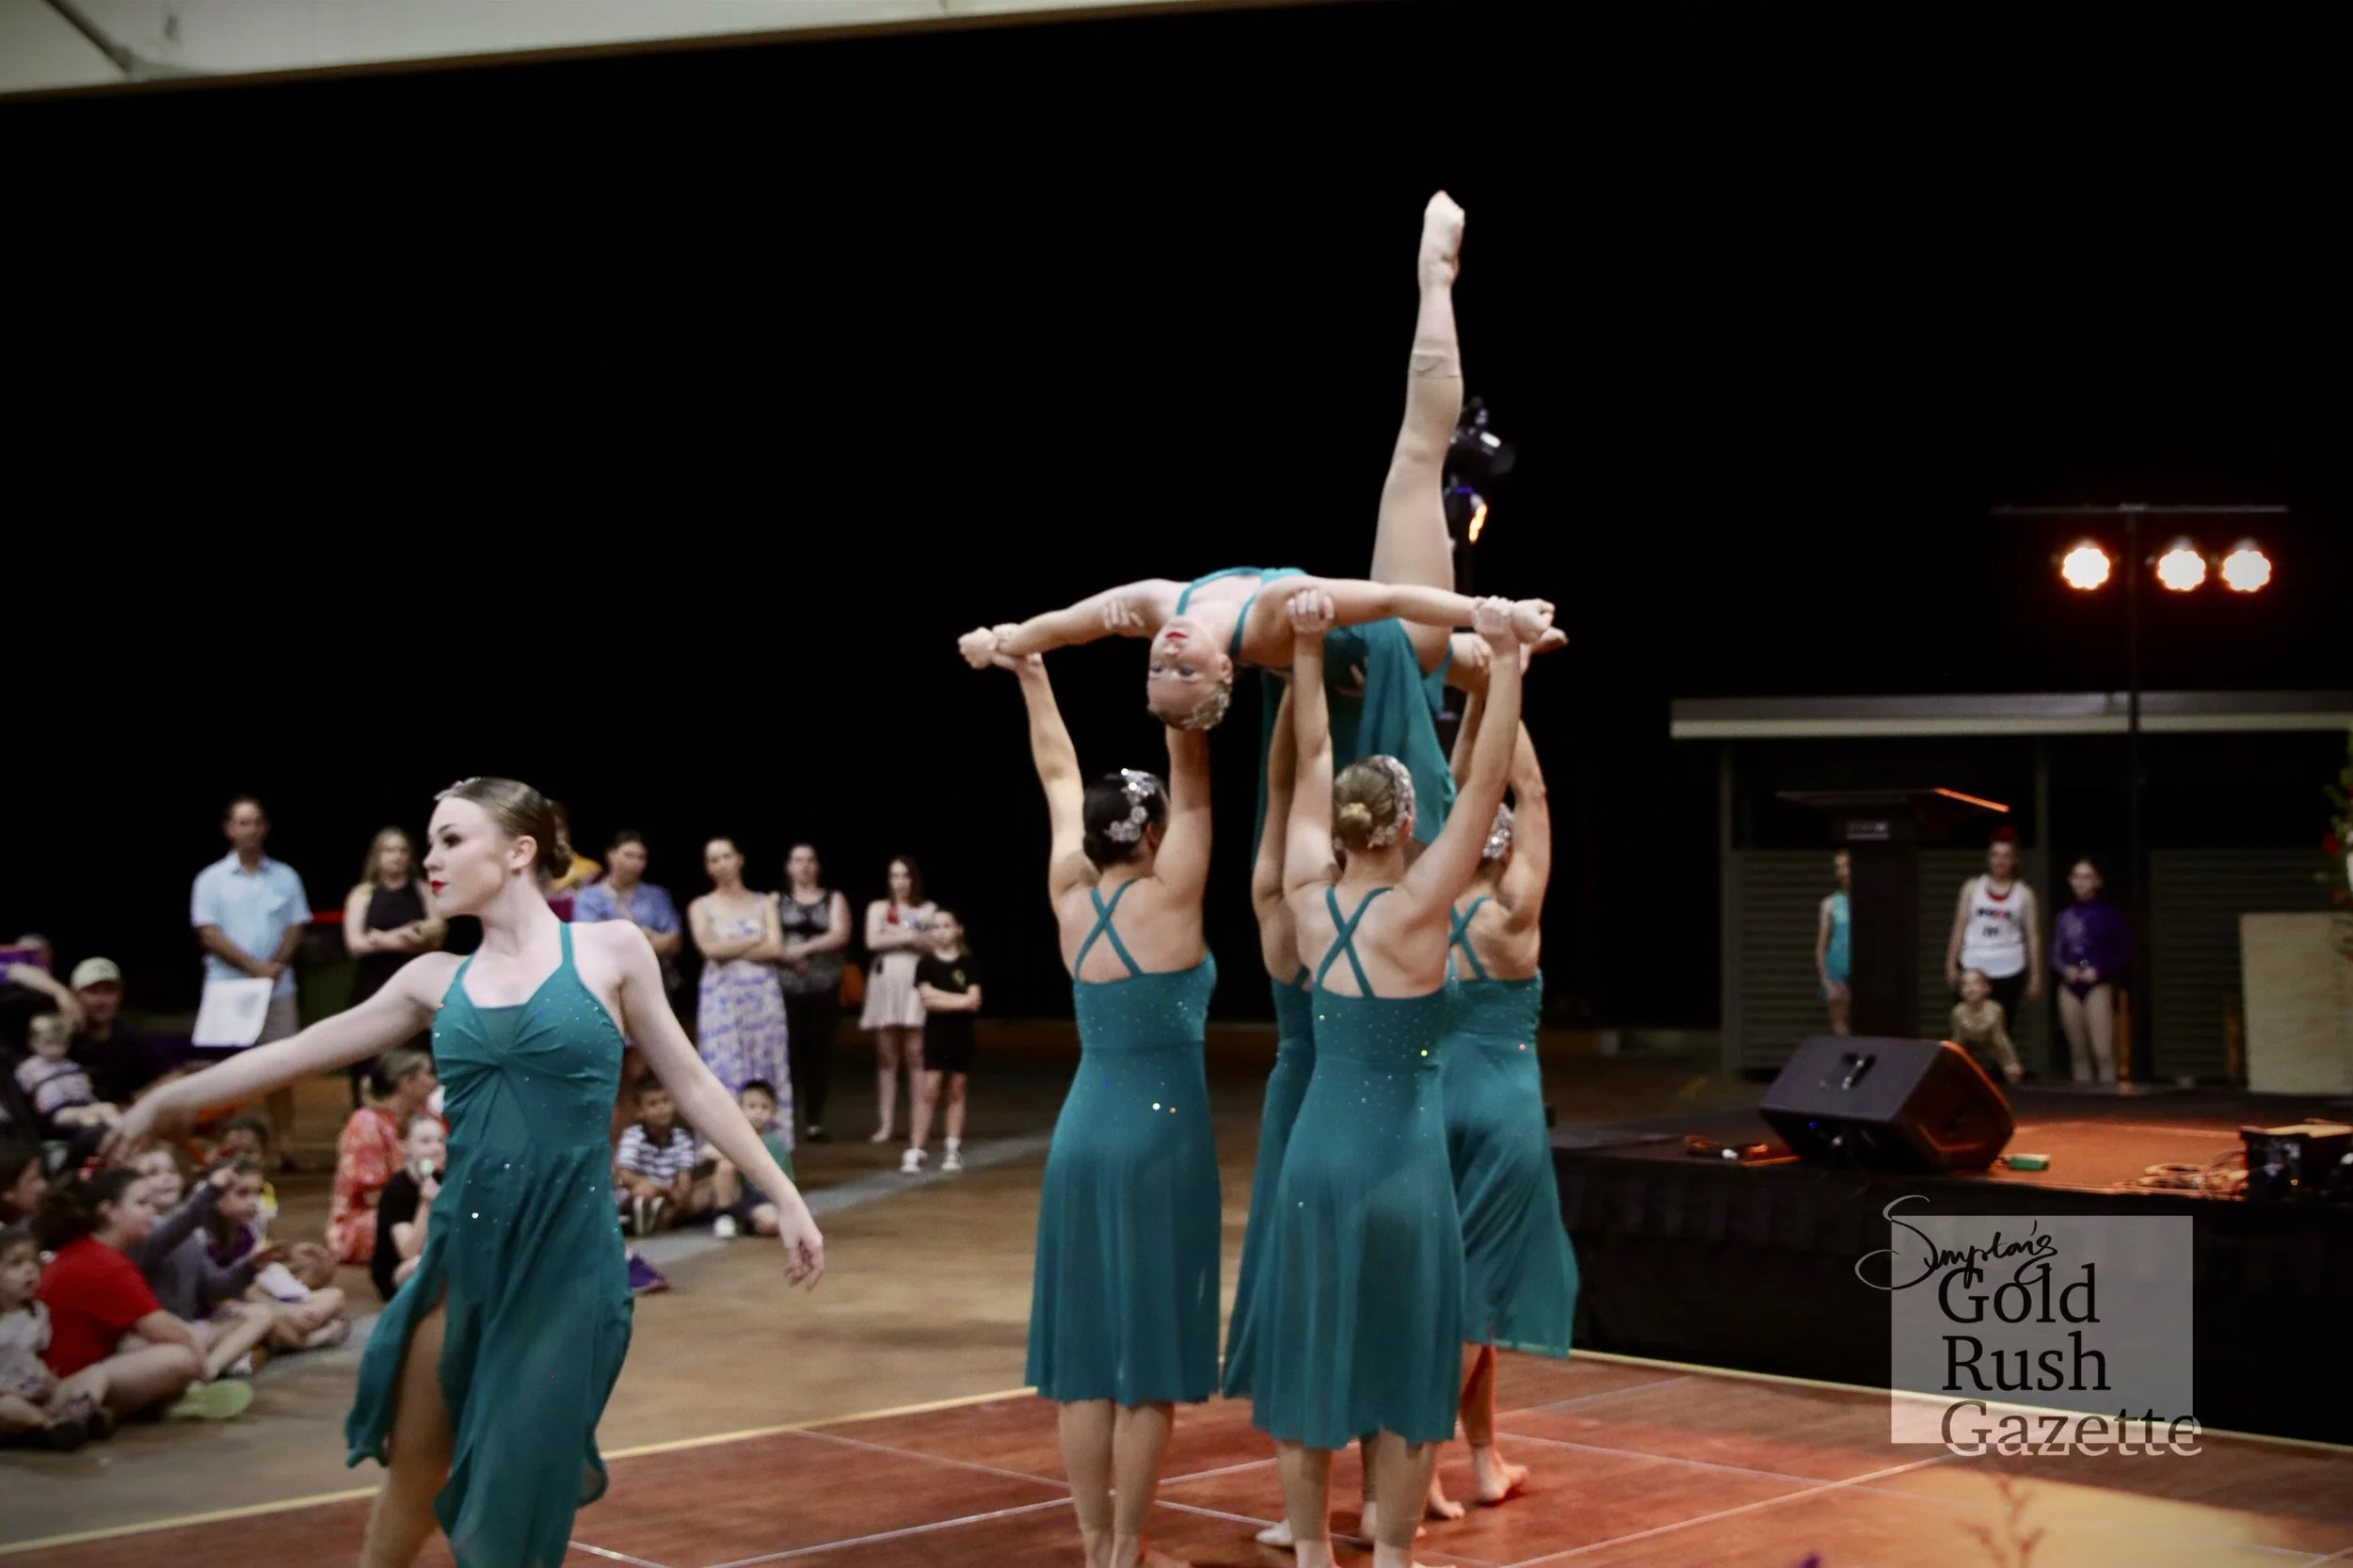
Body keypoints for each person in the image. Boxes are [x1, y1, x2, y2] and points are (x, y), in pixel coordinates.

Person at [105, 776, 824, 1568]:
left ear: (519, 852)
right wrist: (165, 1106)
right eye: (429, 844)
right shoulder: (431, 981)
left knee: (517, 1480)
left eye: (451, 840)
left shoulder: (610, 951)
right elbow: (290, 1053)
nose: (431, 861)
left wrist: (783, 1192)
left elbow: (692, 1083)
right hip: (461, 1255)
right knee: (414, 1475)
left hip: (568, 1263)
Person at [958, 193, 1559, 854]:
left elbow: (1073, 628)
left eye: (1157, 667)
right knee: (1416, 461)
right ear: (1223, 670)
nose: (1168, 655)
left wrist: (1006, 639)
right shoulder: (1270, 620)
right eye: (1184, 672)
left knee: (1466, 653)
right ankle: (1437, 275)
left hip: (1356, 658)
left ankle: (1488, 659)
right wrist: (1492, 609)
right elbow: (1387, 599)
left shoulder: (1163, 610)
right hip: (1397, 642)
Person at [1253, 588, 1538, 1568]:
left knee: (1310, 1361)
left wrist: (1302, 650)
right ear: (1409, 819)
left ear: (1339, 825)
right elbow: (1491, 776)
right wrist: (1502, 662)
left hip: (1316, 1158)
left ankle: (1308, 1555)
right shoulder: (1427, 901)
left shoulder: (1306, 897)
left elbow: (1308, 768)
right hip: (1404, 1169)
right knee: (1410, 1362)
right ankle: (1395, 1559)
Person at [987, 645, 1220, 1568]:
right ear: (1152, 832)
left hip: (1081, 1131)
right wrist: (1179, 688)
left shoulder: (1066, 888)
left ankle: (1094, 1547)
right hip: (1162, 1138)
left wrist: (1030, 669)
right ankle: (1127, 1548)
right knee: (1147, 1363)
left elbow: (1052, 767)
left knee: (1084, 1360)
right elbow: (1193, 778)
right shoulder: (1174, 891)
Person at [1424, 691, 1577, 1520]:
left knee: (1460, 1292)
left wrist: (1481, 695)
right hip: (1505, 1103)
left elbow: (1461, 797)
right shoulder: (1516, 910)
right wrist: (1503, 687)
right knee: (1473, 1300)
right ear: (1507, 850)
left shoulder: (1433, 902)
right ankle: (1419, 1470)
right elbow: (1533, 794)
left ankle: (1484, 1457)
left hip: (1434, 1094)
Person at [36, 1167, 250, 1421]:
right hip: (63, 1385)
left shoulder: (92, 1252)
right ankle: (115, 1408)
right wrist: (202, 1366)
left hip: (75, 1370)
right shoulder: (102, 1262)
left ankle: (142, 1404)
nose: (152, 1211)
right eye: (141, 1203)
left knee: (168, 1344)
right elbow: (162, 1327)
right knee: (181, 1358)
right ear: (109, 1211)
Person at [190, 796, 312, 1164]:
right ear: (229, 828)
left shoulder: (286, 876)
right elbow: (208, 933)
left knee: (282, 1066)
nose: (250, 830)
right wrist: (252, 967)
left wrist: (272, 967)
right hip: (228, 989)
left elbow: (296, 925)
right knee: (224, 1069)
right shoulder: (210, 880)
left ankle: (284, 1146)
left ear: (265, 827)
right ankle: (219, 1148)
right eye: (242, 823)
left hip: (278, 988)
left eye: (256, 822)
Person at [125, 1150, 282, 1382]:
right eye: (153, 1173)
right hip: (149, 1339)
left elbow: (214, 1287)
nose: (166, 1178)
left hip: (187, 1332)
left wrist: (249, 1267)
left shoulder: (191, 1236)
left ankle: (207, 1371)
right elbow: (168, 1234)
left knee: (261, 1314)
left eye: (171, 1171)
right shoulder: (138, 1234)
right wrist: (210, 1190)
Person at [688, 839, 792, 1125]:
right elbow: (710, 949)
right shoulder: (702, 906)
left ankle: (770, 1139)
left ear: (739, 859)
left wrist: (729, 946)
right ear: (708, 868)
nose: (721, 864)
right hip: (722, 997)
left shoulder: (763, 902)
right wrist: (754, 938)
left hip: (762, 996)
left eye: (726, 856)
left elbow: (774, 949)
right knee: (724, 1063)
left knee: (765, 1061)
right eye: (714, 859)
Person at [344, 828, 444, 1105]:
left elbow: (434, 937)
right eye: (389, 850)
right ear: (377, 856)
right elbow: (355, 944)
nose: (397, 856)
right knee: (369, 1055)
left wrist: (382, 938)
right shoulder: (362, 894)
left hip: (417, 987)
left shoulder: (423, 891)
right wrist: (404, 937)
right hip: (372, 986)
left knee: (415, 1058)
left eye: (402, 850)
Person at [0, 1223, 112, 1450]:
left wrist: (46, 1381)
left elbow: (35, 1355)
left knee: (96, 1373)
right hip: (7, 1398)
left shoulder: (38, 1313)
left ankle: (76, 1417)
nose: (30, 1270)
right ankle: (50, 1427)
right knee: (7, 1407)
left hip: (36, 1394)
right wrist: (10, 1392)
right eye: (16, 1264)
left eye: (34, 1262)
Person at [328, 1048, 439, 1264]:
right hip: (369, 1219)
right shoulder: (366, 1123)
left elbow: (433, 1169)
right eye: (427, 1074)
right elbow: (373, 1197)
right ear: (407, 1082)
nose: (434, 1081)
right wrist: (423, 1208)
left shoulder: (425, 1118)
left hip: (417, 1207)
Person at [775, 845, 851, 1143]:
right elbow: (767, 936)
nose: (804, 866)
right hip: (785, 990)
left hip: (823, 988)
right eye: (798, 860)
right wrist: (787, 956)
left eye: (809, 860)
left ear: (817, 866)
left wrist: (802, 950)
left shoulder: (834, 898)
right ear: (788, 867)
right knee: (786, 1055)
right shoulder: (775, 901)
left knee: (819, 1055)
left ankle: (815, 1121)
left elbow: (839, 934)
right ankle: (784, 1119)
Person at [858, 856, 936, 1144]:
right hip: (885, 983)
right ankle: (886, 1124)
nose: (900, 882)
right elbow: (872, 941)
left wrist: (894, 934)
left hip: (914, 985)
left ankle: (919, 1122)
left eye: (905, 876)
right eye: (894, 876)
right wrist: (911, 935)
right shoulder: (878, 908)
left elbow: (932, 942)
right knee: (886, 1056)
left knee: (916, 1055)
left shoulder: (928, 909)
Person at [1944, 826, 2041, 1045]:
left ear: (2014, 859)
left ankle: (2001, 1075)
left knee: (2002, 1032)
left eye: (2006, 856)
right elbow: (1959, 926)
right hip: (1973, 965)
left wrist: (2035, 976)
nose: (2000, 861)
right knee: (1964, 1028)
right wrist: (1951, 963)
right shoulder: (1972, 888)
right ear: (1989, 858)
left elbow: (2033, 937)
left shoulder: (2024, 894)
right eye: (1995, 855)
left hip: (2009, 968)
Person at [573, 832, 685, 1017]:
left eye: (641, 857)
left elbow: (674, 943)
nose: (635, 862)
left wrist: (615, 934)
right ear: (611, 855)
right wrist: (646, 935)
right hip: (608, 988)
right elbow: (590, 943)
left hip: (651, 988)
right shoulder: (589, 897)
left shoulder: (657, 896)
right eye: (629, 855)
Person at [904, 911, 981, 1176]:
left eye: (947, 926)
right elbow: (927, 1000)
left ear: (958, 929)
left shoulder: (967, 964)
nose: (941, 931)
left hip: (962, 1036)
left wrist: (943, 998)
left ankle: (952, 1147)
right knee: (930, 1089)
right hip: (935, 1035)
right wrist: (958, 1001)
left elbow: (974, 1000)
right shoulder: (925, 963)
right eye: (936, 927)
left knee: (958, 1089)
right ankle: (916, 1148)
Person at [2052, 858, 2129, 1085]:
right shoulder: (2064, 917)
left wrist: (2100, 971)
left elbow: (2123, 953)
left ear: (2097, 881)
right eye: (2077, 877)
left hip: (2098, 984)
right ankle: (2083, 1104)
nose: (2081, 882)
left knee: (2103, 1051)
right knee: (2078, 1052)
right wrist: (2065, 969)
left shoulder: (2110, 916)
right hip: (2070, 986)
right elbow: (2056, 952)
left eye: (2087, 877)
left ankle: (2109, 1101)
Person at [68, 958, 181, 1107]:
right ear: (75, 995)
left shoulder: (130, 1037)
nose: (102, 1001)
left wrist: (138, 1100)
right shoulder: (62, 1037)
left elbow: (174, 1075)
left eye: (109, 992)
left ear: (119, 995)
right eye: (93, 992)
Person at [613, 1074, 706, 1238]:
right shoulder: (633, 1135)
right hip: (644, 1190)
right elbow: (626, 1175)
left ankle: (658, 1218)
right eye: (652, 1104)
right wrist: (662, 1188)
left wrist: (678, 1195)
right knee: (643, 1191)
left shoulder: (681, 1138)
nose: (661, 1108)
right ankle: (638, 1216)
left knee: (700, 1192)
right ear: (640, 1112)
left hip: (669, 1196)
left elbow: (684, 1181)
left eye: (665, 1101)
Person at [370, 1111, 444, 1301]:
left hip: (434, 1258)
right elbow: (409, 1251)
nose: (436, 1148)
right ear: (405, 1147)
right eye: (425, 1141)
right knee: (423, 1264)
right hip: (398, 1271)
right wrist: (426, 1204)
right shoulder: (396, 1190)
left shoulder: (444, 1181)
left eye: (440, 1141)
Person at [710, 1079, 795, 1240]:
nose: (758, 1112)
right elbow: (706, 1151)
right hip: (738, 1192)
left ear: (774, 1112)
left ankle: (747, 1221)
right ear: (741, 1108)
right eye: (752, 1106)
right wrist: (737, 1156)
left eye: (764, 1107)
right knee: (725, 1166)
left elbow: (786, 1178)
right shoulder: (733, 1136)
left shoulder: (777, 1143)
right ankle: (724, 1215)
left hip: (762, 1197)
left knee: (772, 1224)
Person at [16, 1013, 120, 1136]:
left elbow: (88, 1093)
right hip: (55, 1113)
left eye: (61, 1043)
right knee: (87, 1117)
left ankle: (124, 1134)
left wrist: (95, 1103)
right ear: (33, 1042)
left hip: (82, 1104)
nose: (56, 1050)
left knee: (108, 1108)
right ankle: (98, 1138)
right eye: (49, 1043)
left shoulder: (72, 1067)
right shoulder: (28, 1069)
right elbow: (20, 1097)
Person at [1951, 969, 2025, 1083]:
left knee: (2012, 1071)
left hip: (1992, 1042)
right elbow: (1958, 1039)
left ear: (1987, 988)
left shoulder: (1995, 1009)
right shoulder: (1958, 1012)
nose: (1971, 988)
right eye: (1965, 984)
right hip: (1967, 1043)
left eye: (1976, 983)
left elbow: (2001, 1038)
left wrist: (2012, 1061)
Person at [1817, 850, 1853, 1035]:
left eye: (1846, 866)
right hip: (1836, 974)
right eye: (1838, 868)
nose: (1842, 871)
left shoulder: (1871, 900)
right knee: (1841, 1027)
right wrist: (1825, 979)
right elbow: (1820, 948)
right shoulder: (1830, 904)